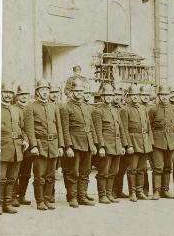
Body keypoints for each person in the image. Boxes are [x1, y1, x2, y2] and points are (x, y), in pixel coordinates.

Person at [24, 79, 65, 211]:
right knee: (39, 176)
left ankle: (48, 199)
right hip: (40, 146)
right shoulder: (31, 107)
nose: (45, 93)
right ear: (37, 92)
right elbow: (29, 129)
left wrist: (60, 146)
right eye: (42, 90)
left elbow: (59, 127)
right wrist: (33, 146)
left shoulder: (54, 107)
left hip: (53, 145)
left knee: (50, 176)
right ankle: (40, 201)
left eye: (47, 90)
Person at [59, 79, 98, 208]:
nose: (79, 93)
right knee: (73, 172)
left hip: (87, 144)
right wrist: (68, 147)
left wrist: (93, 144)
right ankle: (72, 197)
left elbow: (91, 126)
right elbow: (65, 129)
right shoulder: (65, 107)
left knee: (85, 171)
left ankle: (82, 196)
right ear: (71, 92)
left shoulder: (86, 107)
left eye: (81, 91)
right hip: (74, 144)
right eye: (76, 91)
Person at [92, 84, 128, 204]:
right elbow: (98, 131)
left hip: (117, 146)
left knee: (114, 171)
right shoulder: (98, 111)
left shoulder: (115, 110)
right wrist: (101, 147)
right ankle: (102, 196)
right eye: (106, 95)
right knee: (103, 172)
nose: (108, 97)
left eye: (111, 95)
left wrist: (123, 145)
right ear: (102, 97)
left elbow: (121, 128)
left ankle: (109, 194)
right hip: (106, 147)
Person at [121, 84, 153, 202]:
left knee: (142, 169)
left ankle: (140, 192)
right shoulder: (125, 110)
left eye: (136, 95)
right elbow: (124, 129)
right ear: (128, 97)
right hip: (133, 143)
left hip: (144, 143)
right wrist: (128, 145)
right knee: (132, 169)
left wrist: (150, 143)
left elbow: (148, 127)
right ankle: (132, 192)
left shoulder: (143, 109)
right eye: (132, 95)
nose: (135, 97)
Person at [0, 82, 29, 214]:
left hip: (17, 149)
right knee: (0, 179)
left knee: (12, 178)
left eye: (10, 93)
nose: (7, 95)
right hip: (2, 148)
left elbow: (23, 129)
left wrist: (26, 140)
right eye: (5, 92)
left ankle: (7, 203)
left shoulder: (16, 110)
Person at [148, 85, 174, 200]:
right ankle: (156, 191)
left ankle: (165, 190)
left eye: (166, 95)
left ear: (169, 96)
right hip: (157, 142)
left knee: (168, 167)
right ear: (159, 96)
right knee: (158, 167)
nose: (164, 97)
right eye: (162, 95)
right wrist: (151, 142)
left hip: (171, 142)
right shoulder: (153, 109)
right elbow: (149, 126)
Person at [12, 83, 32, 207]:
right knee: (15, 171)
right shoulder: (13, 108)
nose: (24, 97)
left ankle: (22, 195)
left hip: (30, 145)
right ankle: (13, 196)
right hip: (17, 144)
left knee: (26, 172)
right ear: (17, 96)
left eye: (26, 94)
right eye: (21, 94)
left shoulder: (31, 108)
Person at [112, 87, 130, 199]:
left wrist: (126, 144)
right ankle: (111, 191)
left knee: (122, 168)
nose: (117, 97)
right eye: (115, 94)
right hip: (112, 143)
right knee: (113, 169)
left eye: (119, 95)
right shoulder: (109, 108)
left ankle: (119, 190)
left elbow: (125, 128)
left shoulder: (124, 109)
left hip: (123, 143)